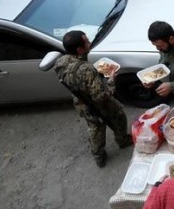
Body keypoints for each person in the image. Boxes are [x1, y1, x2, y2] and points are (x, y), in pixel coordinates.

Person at [53, 31, 132, 168]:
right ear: (80, 49)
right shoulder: (87, 70)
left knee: (94, 128)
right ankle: (123, 140)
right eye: (87, 42)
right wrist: (112, 80)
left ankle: (98, 157)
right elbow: (100, 96)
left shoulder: (61, 61)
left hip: (81, 103)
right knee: (119, 116)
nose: (90, 43)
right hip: (96, 104)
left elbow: (74, 78)